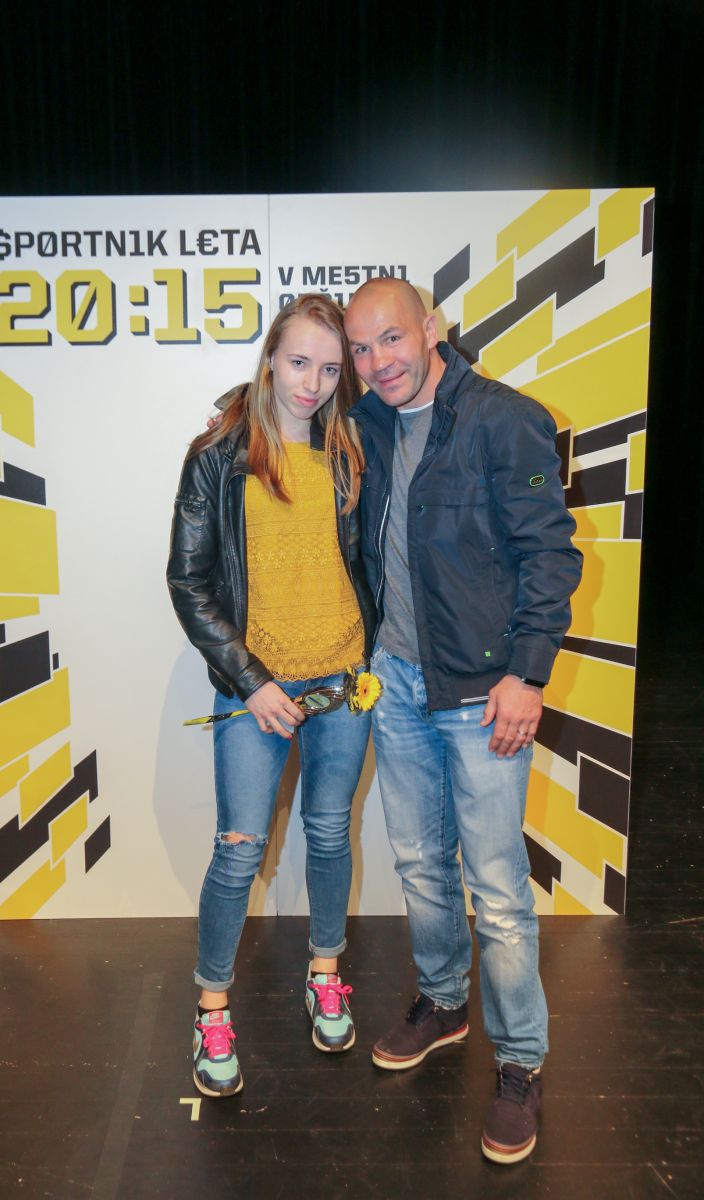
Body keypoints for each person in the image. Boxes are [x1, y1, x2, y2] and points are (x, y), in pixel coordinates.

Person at [343, 277, 583, 1164]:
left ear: (432, 329)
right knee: (418, 861)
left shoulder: (503, 419)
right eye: (361, 349)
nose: (378, 362)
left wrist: (528, 673)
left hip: (485, 690)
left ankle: (520, 1061)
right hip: (396, 680)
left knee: (497, 888)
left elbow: (549, 555)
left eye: (392, 339)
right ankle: (444, 1004)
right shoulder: (367, 423)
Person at [167, 294, 375, 1100]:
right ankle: (211, 1010)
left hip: (342, 682)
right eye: (298, 362)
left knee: (328, 832)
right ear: (269, 360)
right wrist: (251, 684)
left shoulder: (351, 450)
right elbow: (188, 582)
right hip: (255, 689)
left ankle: (326, 975)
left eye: (329, 368)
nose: (312, 383)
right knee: (240, 848)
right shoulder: (218, 455)